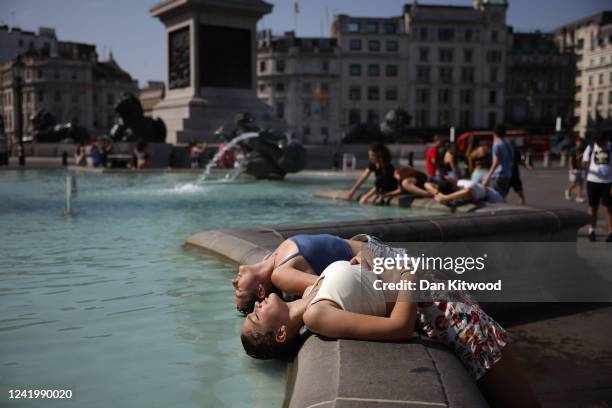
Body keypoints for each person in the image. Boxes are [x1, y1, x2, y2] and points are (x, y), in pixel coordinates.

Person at [241, 239, 540, 408]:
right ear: (281, 333)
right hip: (451, 319)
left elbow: (362, 268)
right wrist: (409, 275)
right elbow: (399, 328)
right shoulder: (315, 316)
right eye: (256, 316)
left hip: (448, 301)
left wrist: (364, 258)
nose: (256, 305)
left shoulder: (309, 291)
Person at [232, 234, 363, 314]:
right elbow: (328, 286)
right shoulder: (280, 275)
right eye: (239, 290)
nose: (233, 282)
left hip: (371, 249)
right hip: (375, 256)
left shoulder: (269, 259)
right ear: (261, 291)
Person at [582, 133, 612, 242]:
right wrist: (583, 163)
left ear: (606, 140)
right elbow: (584, 163)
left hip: (608, 182)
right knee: (592, 208)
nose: (599, 145)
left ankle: (610, 232)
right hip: (593, 181)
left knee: (608, 208)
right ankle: (592, 230)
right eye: (597, 143)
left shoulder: (611, 146)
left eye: (601, 143)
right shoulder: (590, 147)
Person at [482, 124, 514, 197]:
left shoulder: (496, 145)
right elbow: (512, 158)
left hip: (499, 175)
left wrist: (487, 178)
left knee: (495, 198)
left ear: (494, 133)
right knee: (502, 197)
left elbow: (495, 163)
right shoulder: (507, 144)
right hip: (508, 175)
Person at [433, 179, 504, 205]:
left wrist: (445, 198)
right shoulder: (453, 191)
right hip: (482, 199)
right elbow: (426, 184)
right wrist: (437, 193)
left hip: (492, 196)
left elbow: (467, 192)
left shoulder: (464, 183)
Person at [509, 141, 532, 205]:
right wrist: (527, 166)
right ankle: (522, 200)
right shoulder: (516, 151)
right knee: (518, 188)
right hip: (514, 173)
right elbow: (520, 161)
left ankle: (500, 201)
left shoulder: (506, 150)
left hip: (507, 173)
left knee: (503, 191)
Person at [565, 138, 586, 203]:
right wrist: (571, 169)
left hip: (582, 168)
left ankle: (578, 197)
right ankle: (568, 190)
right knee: (574, 183)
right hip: (574, 169)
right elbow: (570, 160)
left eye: (581, 142)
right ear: (576, 142)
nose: (580, 143)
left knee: (581, 183)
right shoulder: (573, 150)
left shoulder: (584, 150)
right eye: (578, 142)